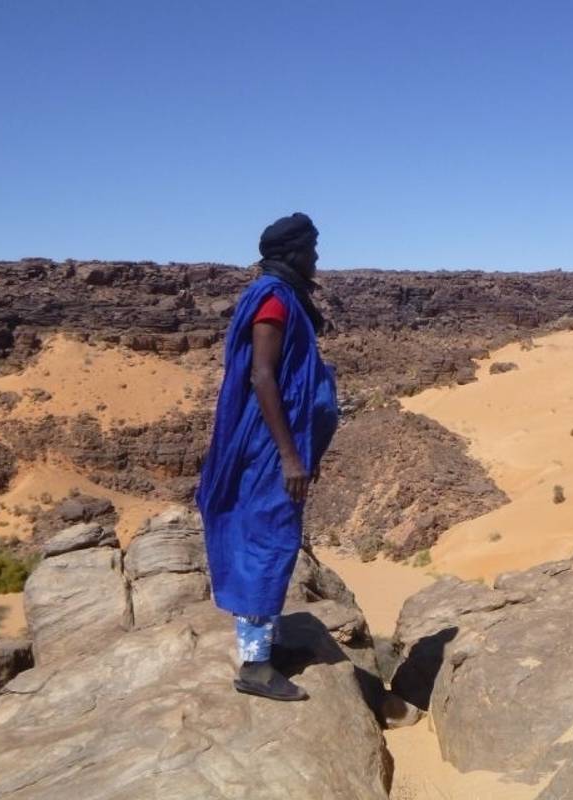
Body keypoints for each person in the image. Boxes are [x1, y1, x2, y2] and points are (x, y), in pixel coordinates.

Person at [195, 212, 340, 701]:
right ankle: (255, 666)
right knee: (267, 538)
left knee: (273, 535)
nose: (317, 258)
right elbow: (262, 375)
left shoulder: (284, 295)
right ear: (294, 253)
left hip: (277, 443)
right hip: (267, 446)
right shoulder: (274, 300)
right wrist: (289, 455)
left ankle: (266, 643)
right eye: (313, 250)